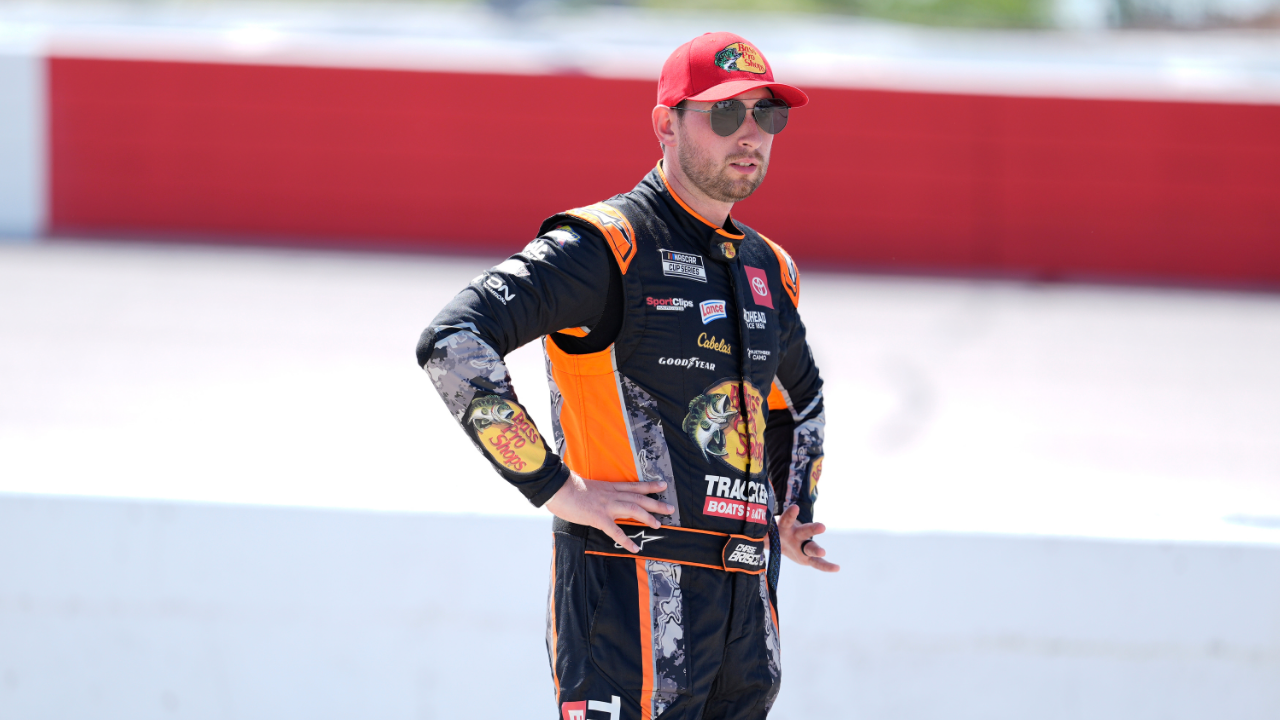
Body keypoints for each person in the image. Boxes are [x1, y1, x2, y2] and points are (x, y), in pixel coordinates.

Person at [417, 31, 836, 720]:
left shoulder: (770, 268)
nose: (751, 133)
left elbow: (803, 398)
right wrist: (556, 487)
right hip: (626, 607)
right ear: (666, 124)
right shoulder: (604, 244)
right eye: (726, 113)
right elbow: (452, 342)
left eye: (768, 114)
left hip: (747, 624)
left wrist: (794, 509)